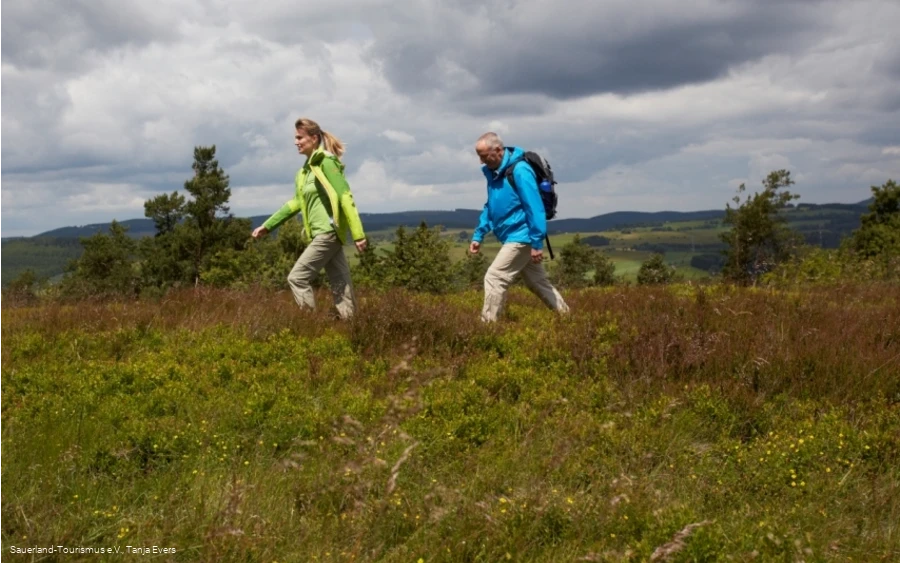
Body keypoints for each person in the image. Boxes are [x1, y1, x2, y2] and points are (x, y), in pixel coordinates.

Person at [252, 118, 367, 320]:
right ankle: (353, 326)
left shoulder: (326, 161)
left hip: (328, 232)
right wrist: (268, 226)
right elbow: (295, 203)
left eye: (299, 137)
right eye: (295, 137)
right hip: (320, 234)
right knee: (341, 282)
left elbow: (345, 195)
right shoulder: (303, 173)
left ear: (313, 138)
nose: (296, 142)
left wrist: (358, 234)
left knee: (297, 278)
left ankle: (310, 323)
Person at [469, 132, 569, 322]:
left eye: (483, 156)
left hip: (522, 235)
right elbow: (491, 205)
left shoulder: (520, 171)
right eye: (479, 156)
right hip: (512, 235)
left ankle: (487, 328)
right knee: (537, 282)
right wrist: (478, 234)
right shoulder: (494, 173)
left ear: (498, 150)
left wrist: (537, 243)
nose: (481, 161)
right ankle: (567, 318)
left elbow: (534, 207)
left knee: (495, 277)